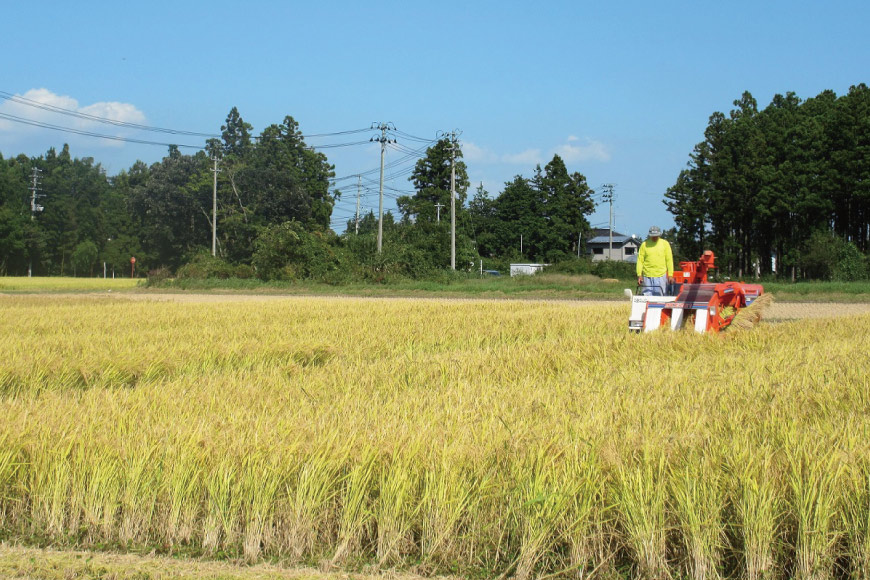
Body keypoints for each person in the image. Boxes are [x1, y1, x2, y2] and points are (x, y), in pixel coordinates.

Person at [636, 226, 674, 296]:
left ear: (659, 235)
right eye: (653, 236)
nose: (654, 237)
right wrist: (639, 275)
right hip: (647, 276)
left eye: (656, 236)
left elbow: (669, 260)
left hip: (661, 275)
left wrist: (670, 275)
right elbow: (640, 261)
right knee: (646, 297)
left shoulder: (665, 244)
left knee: (661, 297)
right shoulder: (644, 245)